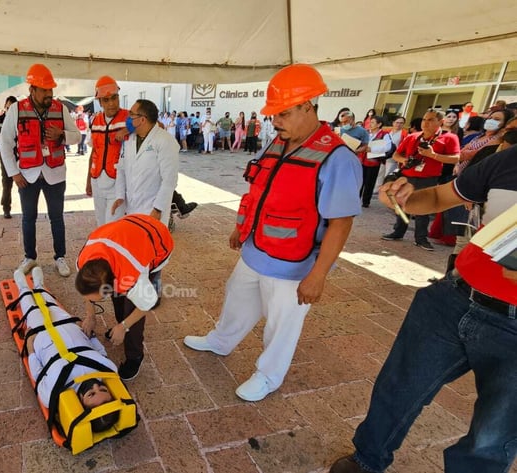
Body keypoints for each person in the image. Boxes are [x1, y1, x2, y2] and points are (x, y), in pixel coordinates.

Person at [330, 146, 517, 473]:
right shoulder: (511, 159)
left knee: (492, 436)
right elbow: (440, 197)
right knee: (398, 389)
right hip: (455, 296)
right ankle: (366, 459)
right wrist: (406, 200)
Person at [183, 64, 362, 402]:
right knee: (236, 294)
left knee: (282, 323)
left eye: (283, 113)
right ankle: (222, 340)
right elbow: (257, 192)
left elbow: (341, 223)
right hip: (257, 248)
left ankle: (269, 375)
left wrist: (318, 275)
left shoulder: (336, 157)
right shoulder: (278, 144)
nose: (275, 121)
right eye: (273, 115)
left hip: (295, 263)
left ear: (308, 105)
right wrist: (241, 229)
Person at [12, 267, 119, 432]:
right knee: (51, 305)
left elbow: (38, 374)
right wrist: (90, 335)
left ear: (80, 403)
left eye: (91, 393)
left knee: (31, 309)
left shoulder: (52, 393)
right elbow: (101, 352)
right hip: (70, 327)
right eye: (102, 389)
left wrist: (31, 350)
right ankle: (39, 285)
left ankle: (23, 288)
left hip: (43, 336)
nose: (95, 385)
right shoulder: (109, 370)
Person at [0, 63, 81, 277]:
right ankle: (30, 257)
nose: (49, 94)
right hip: (27, 174)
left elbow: (77, 135)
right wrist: (14, 173)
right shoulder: (17, 109)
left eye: (50, 90)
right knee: (28, 217)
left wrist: (62, 135)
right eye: (44, 90)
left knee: (57, 217)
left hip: (55, 173)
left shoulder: (60, 109)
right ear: (32, 90)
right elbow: (5, 143)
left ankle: (60, 257)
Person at [76, 214, 174, 381]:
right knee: (119, 298)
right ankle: (121, 327)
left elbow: (146, 305)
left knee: (132, 309)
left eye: (98, 298)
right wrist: (90, 315)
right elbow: (88, 293)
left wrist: (123, 326)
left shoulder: (132, 275)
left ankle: (135, 356)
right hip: (128, 230)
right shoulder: (83, 261)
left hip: (158, 240)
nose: (93, 300)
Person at [380, 109, 460, 250]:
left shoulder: (449, 137)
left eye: (430, 120)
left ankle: (421, 238)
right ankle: (398, 232)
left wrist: (433, 155)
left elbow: (455, 158)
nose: (425, 123)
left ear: (440, 122)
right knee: (401, 205)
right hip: (407, 176)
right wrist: (405, 160)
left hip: (428, 178)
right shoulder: (413, 136)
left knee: (423, 208)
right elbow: (396, 155)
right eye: (424, 119)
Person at [112, 99, 179, 227]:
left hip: (152, 210)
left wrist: (158, 209)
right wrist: (120, 196)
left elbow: (170, 180)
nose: (128, 118)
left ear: (142, 119)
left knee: (152, 244)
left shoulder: (165, 141)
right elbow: (121, 169)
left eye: (131, 114)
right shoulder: (129, 140)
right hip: (131, 209)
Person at [87, 76, 129, 226]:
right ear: (99, 102)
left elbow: (155, 125)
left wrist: (130, 128)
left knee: (113, 225)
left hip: (118, 182)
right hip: (97, 179)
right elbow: (93, 152)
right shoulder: (95, 120)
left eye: (114, 98)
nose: (111, 103)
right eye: (106, 100)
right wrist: (88, 181)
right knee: (100, 223)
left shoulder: (130, 116)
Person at [0, 95, 18, 219]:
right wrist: (5, 137)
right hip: (5, 152)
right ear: (5, 107)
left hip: (20, 152)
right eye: (8, 107)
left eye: (13, 107)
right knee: (7, 181)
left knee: (25, 180)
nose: (10, 110)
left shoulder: (21, 119)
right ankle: (6, 207)